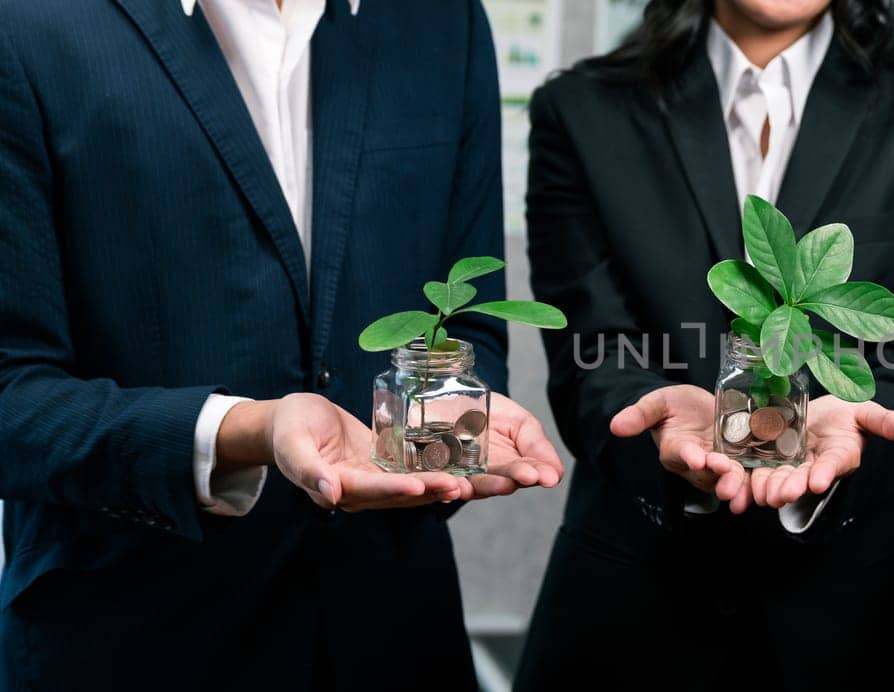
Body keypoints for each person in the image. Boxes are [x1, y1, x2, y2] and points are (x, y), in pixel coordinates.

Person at [0, 1, 563, 688]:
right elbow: (11, 395)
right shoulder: (26, 24)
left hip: (395, 639)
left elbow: (465, 323)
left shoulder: (443, 19)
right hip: (131, 640)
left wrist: (440, 430)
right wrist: (245, 429)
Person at [516, 0, 894, 689]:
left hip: (854, 624)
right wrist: (659, 416)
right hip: (628, 616)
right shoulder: (580, 111)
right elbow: (589, 351)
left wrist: (846, 444)